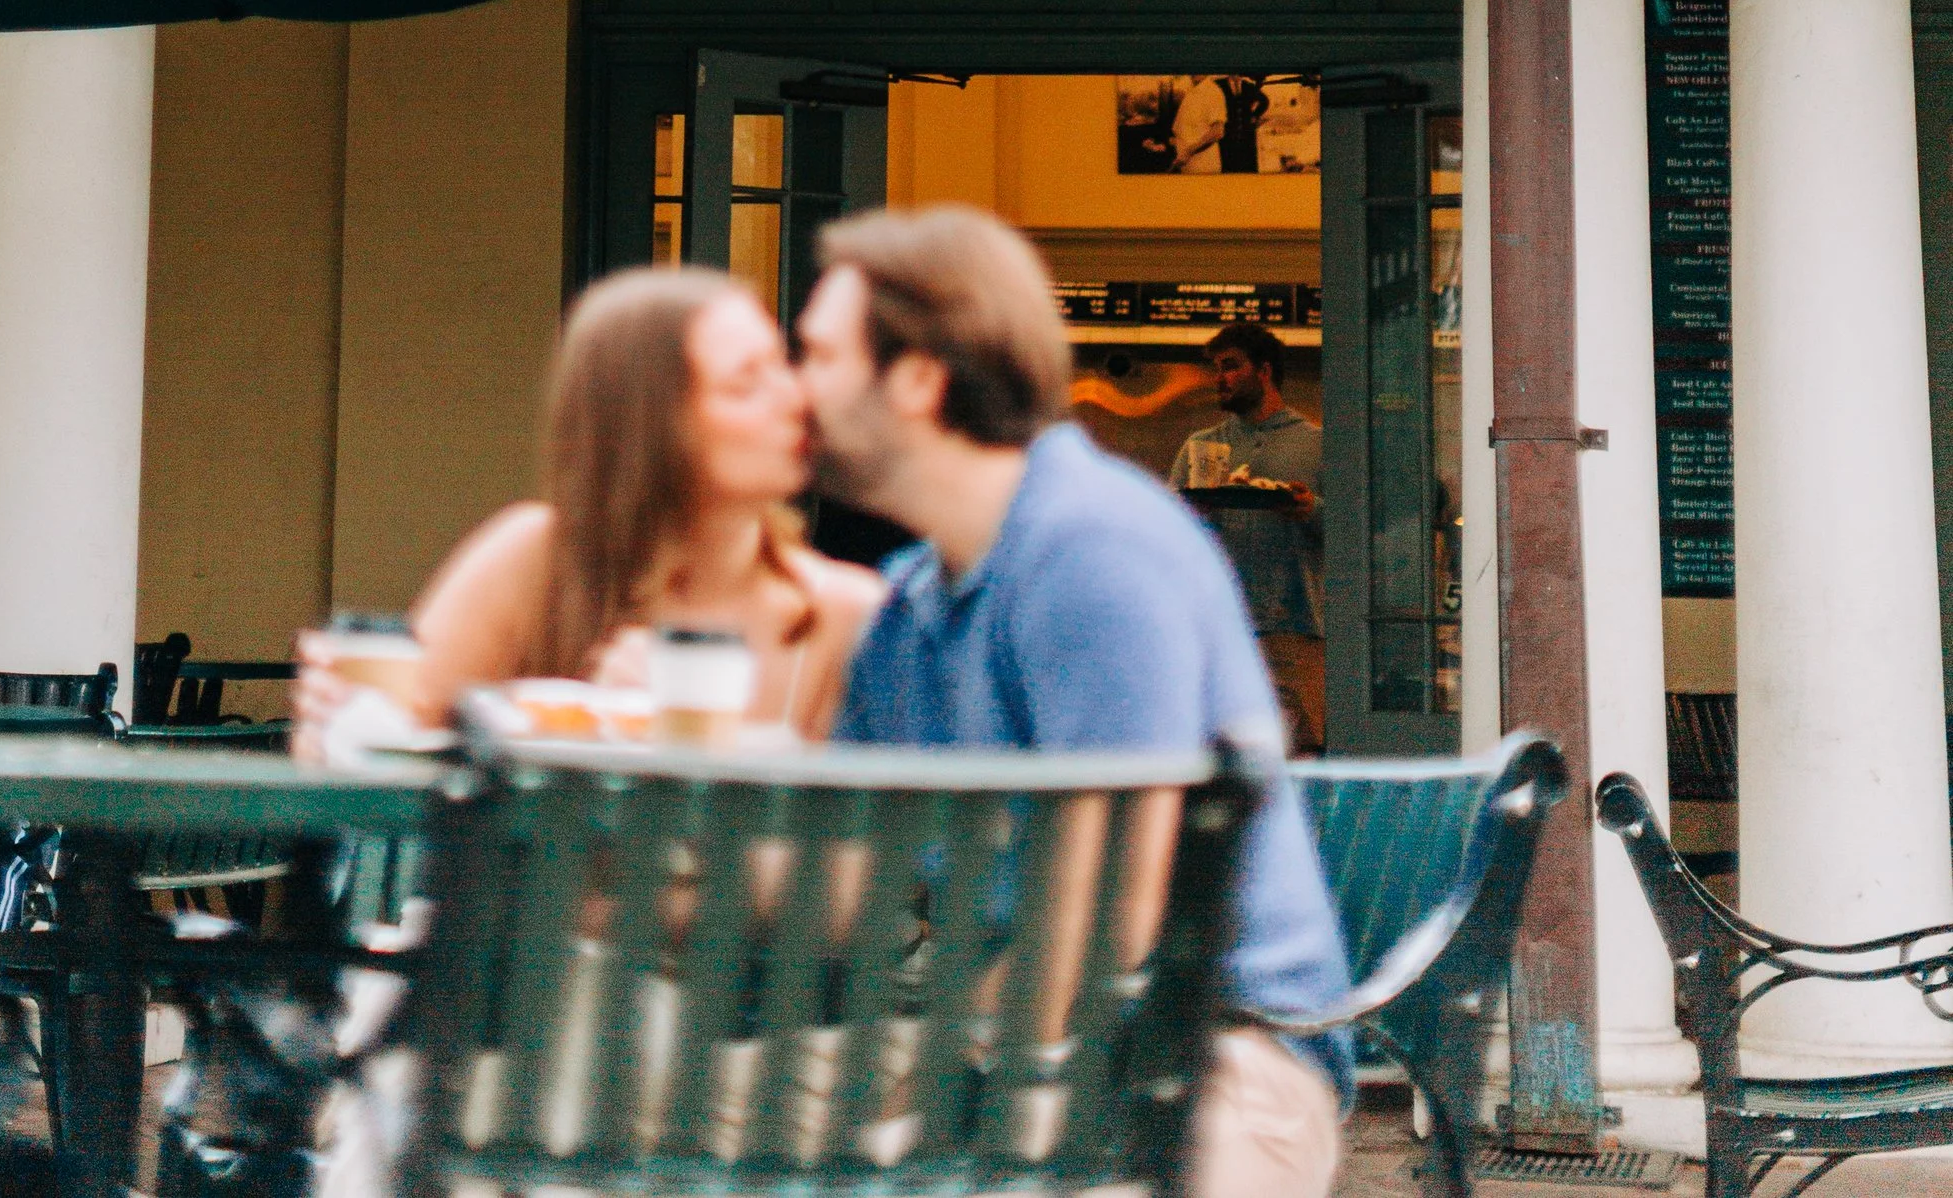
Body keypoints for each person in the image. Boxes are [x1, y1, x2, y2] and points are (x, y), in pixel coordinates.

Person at [794, 207, 1351, 1198]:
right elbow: (836, 883)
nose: (799, 389)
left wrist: (931, 1100)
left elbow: (1111, 916)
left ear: (916, 382)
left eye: (819, 357)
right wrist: (618, 866)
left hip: (1209, 1060)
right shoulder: (908, 610)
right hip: (998, 1037)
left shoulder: (1089, 547)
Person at [303, 266, 881, 741]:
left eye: (782, 364)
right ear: (650, 426)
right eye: (745, 383)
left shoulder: (848, 613)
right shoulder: (535, 558)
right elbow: (371, 770)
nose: (795, 397)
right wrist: (337, 717)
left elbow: (866, 871)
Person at [1171, 323, 1327, 754]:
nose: (1220, 378)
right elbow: (1169, 538)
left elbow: (1353, 535)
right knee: (1220, 764)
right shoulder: (1201, 448)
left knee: (1300, 757)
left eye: (1231, 367)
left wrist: (1310, 509)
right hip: (1218, 628)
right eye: (1216, 369)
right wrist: (1192, 514)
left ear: (1264, 371)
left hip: (1296, 628)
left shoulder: (1316, 444)